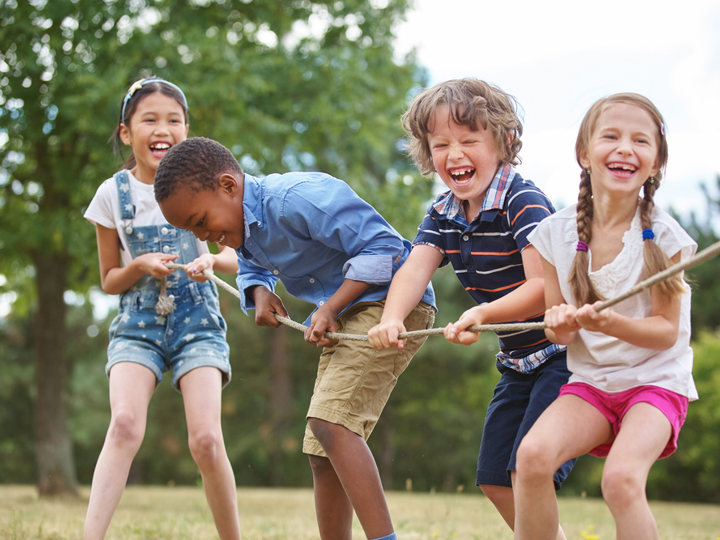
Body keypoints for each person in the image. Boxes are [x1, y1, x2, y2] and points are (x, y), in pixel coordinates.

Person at [153, 136, 436, 540]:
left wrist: (330, 306)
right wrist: (259, 292)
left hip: (391, 304)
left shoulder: (295, 199)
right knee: (321, 451)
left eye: (201, 222)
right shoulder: (244, 229)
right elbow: (252, 266)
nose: (207, 237)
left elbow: (385, 247)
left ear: (229, 186)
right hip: (347, 313)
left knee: (331, 425)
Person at [368, 78, 574, 538]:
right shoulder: (443, 213)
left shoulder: (522, 202)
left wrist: (481, 314)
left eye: (468, 140)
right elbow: (413, 270)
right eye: (440, 144)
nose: (454, 153)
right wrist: (391, 318)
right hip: (519, 362)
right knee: (495, 480)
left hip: (565, 356)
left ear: (502, 142)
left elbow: (542, 287)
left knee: (527, 468)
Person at [513, 93, 697, 540]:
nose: (625, 148)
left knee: (620, 480)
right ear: (584, 153)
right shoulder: (553, 234)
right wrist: (561, 326)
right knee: (531, 458)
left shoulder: (667, 238)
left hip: (654, 384)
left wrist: (608, 323)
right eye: (610, 136)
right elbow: (558, 325)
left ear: (655, 164)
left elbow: (665, 333)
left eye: (641, 141)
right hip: (592, 384)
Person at [83, 78, 241, 540]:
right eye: (149, 119)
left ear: (187, 130)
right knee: (125, 424)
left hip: (198, 322)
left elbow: (236, 255)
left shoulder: (209, 185)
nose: (162, 128)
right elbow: (110, 279)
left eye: (173, 120)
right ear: (127, 132)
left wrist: (211, 258)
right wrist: (141, 266)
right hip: (138, 324)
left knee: (207, 441)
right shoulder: (112, 195)